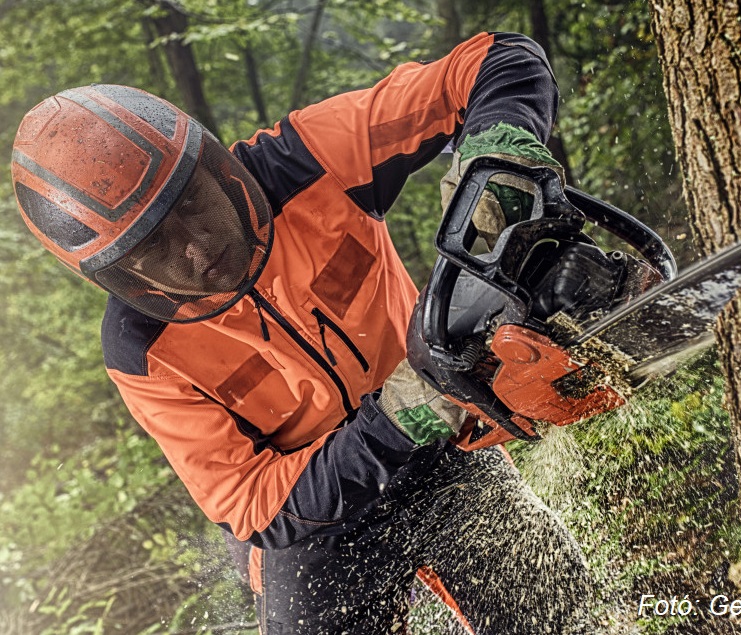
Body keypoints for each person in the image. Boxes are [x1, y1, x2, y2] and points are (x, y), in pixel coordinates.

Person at [11, 32, 596, 633]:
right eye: (153, 248)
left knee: (565, 615)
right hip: (318, 526)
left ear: (214, 168)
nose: (194, 247)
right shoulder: (142, 350)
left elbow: (493, 61)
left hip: (443, 437)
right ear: (122, 273)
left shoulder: (305, 161)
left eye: (189, 206)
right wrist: (396, 418)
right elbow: (251, 503)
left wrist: (497, 154)